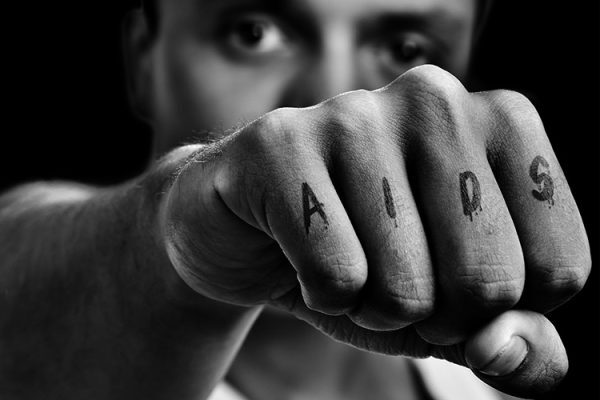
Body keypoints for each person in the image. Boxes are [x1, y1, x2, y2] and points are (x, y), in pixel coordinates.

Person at [0, 0, 592, 399]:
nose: (334, 98)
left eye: (407, 46)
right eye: (252, 33)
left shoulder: (484, 380)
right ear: (141, 58)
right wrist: (178, 231)